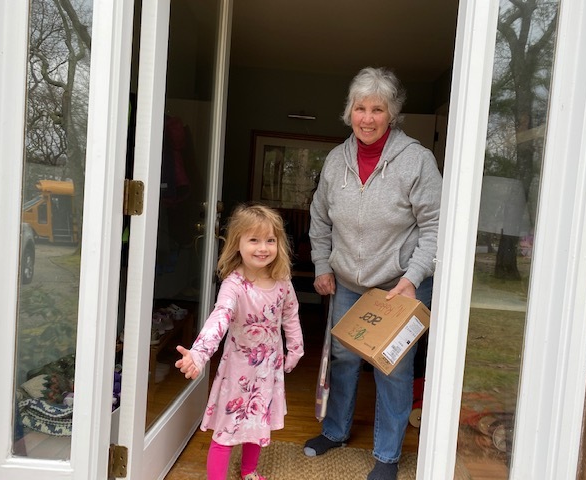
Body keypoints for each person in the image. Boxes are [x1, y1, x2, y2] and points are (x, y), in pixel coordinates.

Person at [303, 66, 442, 480]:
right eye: (360, 108)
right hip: (347, 281)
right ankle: (335, 430)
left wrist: (414, 276)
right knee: (344, 358)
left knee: (392, 366)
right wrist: (323, 264)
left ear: (392, 114)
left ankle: (387, 455)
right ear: (350, 112)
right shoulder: (335, 161)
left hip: (398, 283)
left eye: (377, 109)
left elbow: (437, 225)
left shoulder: (416, 160)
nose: (367, 118)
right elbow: (319, 218)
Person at [175, 203, 304, 480]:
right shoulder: (233, 284)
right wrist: (198, 354)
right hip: (238, 371)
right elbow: (220, 317)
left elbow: (290, 315)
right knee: (227, 428)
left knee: (258, 422)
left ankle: (249, 471)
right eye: (254, 240)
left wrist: (295, 348)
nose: (263, 248)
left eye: (270, 240)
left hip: (268, 368)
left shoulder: (283, 280)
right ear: (237, 243)